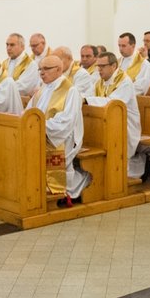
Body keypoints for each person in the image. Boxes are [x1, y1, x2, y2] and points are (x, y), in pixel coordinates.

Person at [26, 55, 89, 207]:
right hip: (43, 132)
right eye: (40, 69)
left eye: (46, 69)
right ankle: (36, 188)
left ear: (59, 70)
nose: (42, 73)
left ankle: (79, 184)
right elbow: (28, 112)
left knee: (53, 161)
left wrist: (39, 126)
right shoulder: (42, 90)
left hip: (62, 137)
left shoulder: (70, 91)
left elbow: (66, 121)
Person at [85, 52, 146, 180]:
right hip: (107, 123)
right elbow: (88, 95)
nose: (99, 69)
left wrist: (87, 100)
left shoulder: (124, 82)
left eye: (103, 66)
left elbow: (112, 104)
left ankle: (129, 172)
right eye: (98, 66)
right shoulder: (99, 82)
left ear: (113, 66)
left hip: (125, 126)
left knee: (119, 158)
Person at [4, 33, 40, 99]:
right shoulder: (4, 63)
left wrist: (0, 90)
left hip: (22, 102)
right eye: (7, 45)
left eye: (12, 45)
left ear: (22, 47)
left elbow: (24, 87)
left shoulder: (31, 64)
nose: (8, 48)